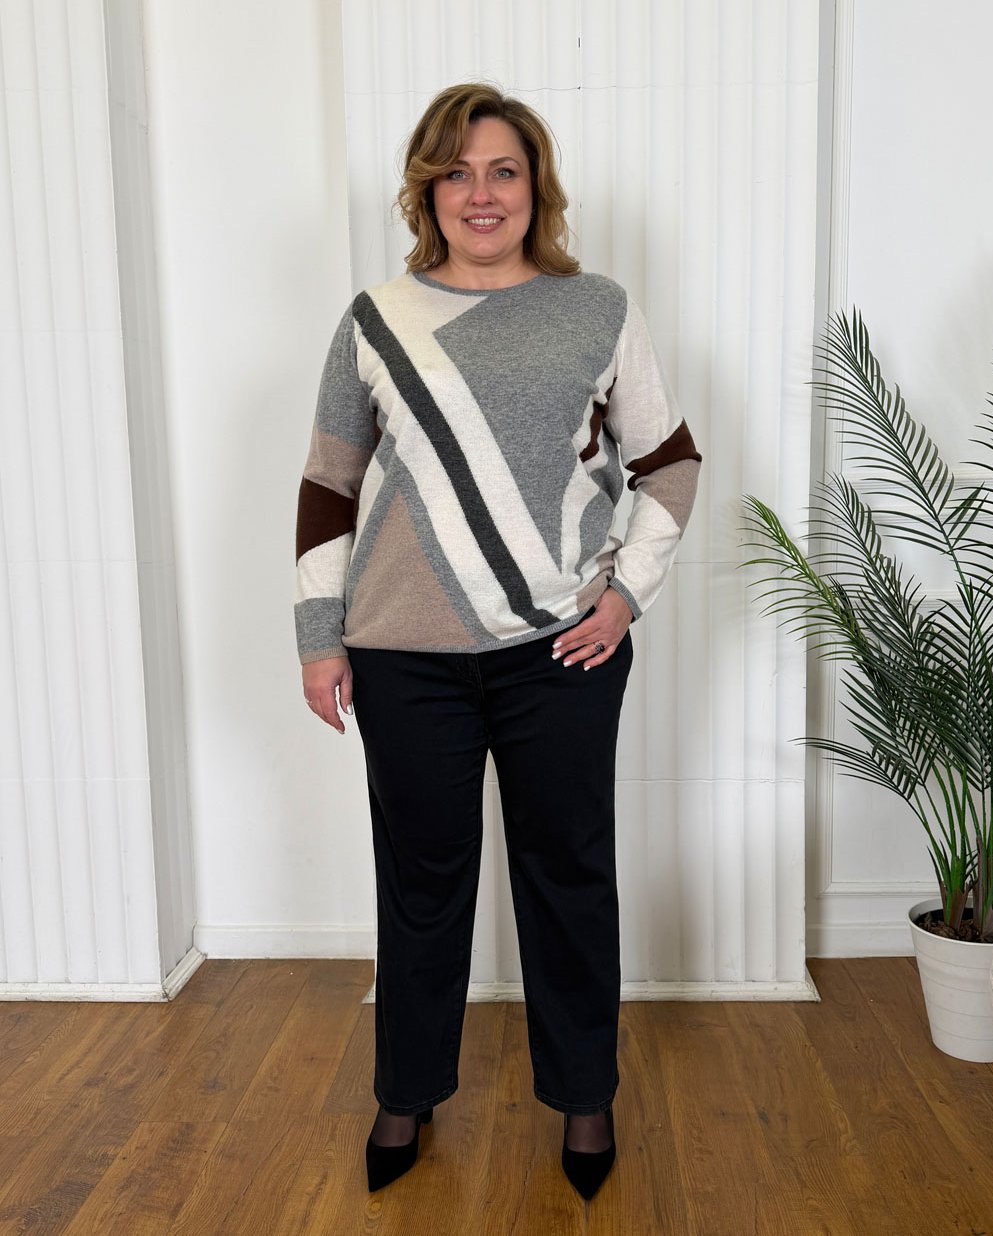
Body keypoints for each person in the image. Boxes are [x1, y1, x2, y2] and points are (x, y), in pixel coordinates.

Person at [295, 82, 701, 1200]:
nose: (482, 194)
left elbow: (669, 463)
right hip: (400, 653)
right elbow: (329, 484)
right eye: (457, 173)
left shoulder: (598, 308)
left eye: (504, 171)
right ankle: (407, 1089)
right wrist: (320, 639)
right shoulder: (375, 318)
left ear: (536, 188)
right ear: (427, 191)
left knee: (567, 874)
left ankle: (584, 1096)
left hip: (560, 650)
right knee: (421, 881)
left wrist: (626, 595)